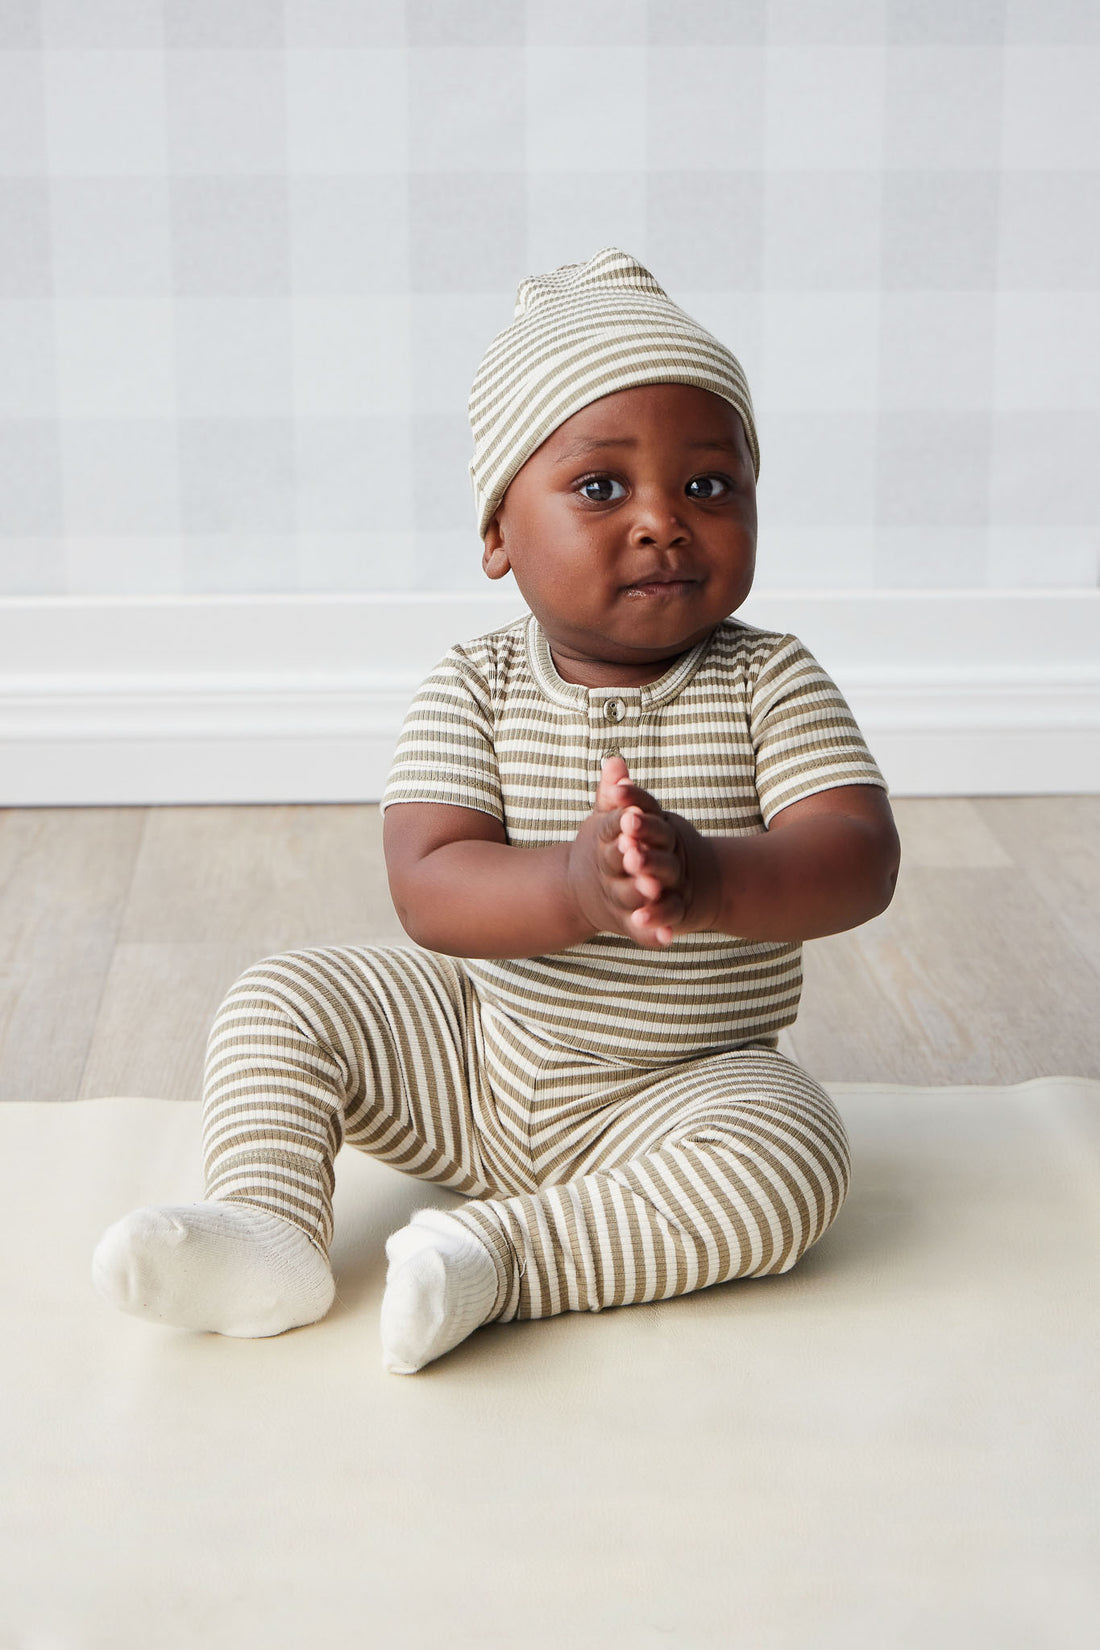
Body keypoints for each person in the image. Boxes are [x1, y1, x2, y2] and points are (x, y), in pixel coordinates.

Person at [93, 248, 900, 1375]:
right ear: (496, 535)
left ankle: (500, 1257)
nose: (664, 521)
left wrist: (711, 878)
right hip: (474, 1057)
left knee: (794, 1153)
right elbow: (427, 884)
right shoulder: (473, 684)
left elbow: (855, 856)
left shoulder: (770, 681)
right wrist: (574, 887)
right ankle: (267, 1227)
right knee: (285, 994)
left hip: (681, 1085)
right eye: (601, 487)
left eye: (708, 486)